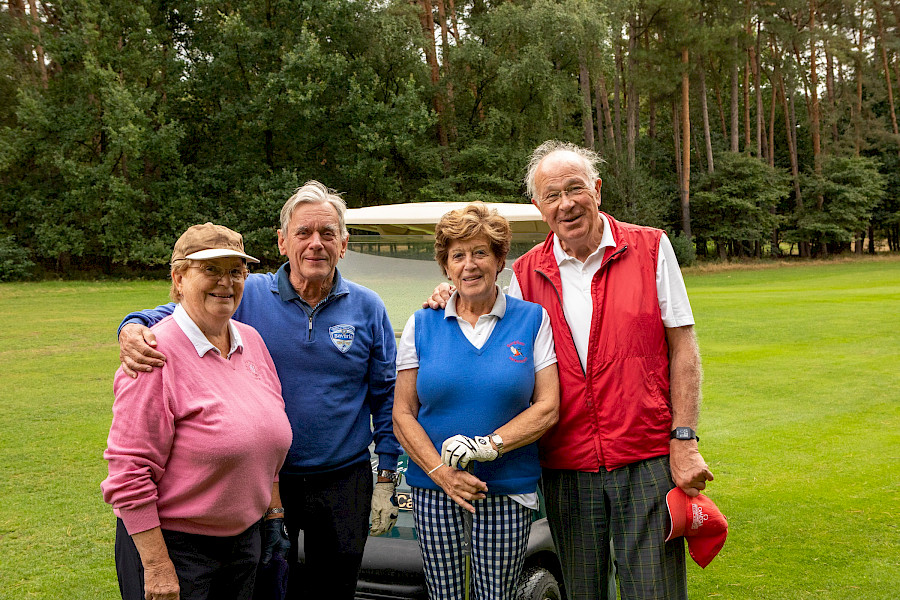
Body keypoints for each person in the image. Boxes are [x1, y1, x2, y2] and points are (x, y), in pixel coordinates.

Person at [427, 141, 714, 599]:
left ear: (596, 189)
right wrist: (448, 294)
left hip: (645, 458)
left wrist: (684, 439)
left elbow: (684, 349)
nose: (566, 204)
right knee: (581, 591)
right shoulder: (525, 274)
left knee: (653, 591)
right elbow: (484, 322)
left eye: (575, 188)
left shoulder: (651, 247)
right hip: (566, 467)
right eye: (552, 195)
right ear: (538, 207)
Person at [116, 182, 401, 600]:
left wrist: (387, 475)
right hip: (264, 485)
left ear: (343, 244)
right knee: (269, 589)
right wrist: (132, 326)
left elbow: (386, 392)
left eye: (328, 233)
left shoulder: (367, 306)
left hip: (342, 480)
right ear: (283, 242)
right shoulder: (247, 294)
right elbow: (181, 310)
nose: (316, 243)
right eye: (303, 232)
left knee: (334, 588)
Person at [102, 223, 293, 600]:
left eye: (235, 271)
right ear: (178, 279)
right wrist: (157, 566)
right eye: (210, 269)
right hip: (175, 549)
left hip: (243, 544)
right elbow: (129, 472)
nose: (226, 282)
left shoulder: (251, 341)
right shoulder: (154, 355)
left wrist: (273, 513)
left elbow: (266, 440)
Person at [393, 204, 560, 600]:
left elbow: (548, 406)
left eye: (480, 252)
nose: (469, 264)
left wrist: (488, 446)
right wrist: (440, 472)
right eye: (458, 256)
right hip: (435, 488)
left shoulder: (532, 320)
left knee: (495, 594)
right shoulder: (422, 323)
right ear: (446, 267)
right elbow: (402, 413)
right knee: (444, 593)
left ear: (500, 260)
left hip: (506, 488)